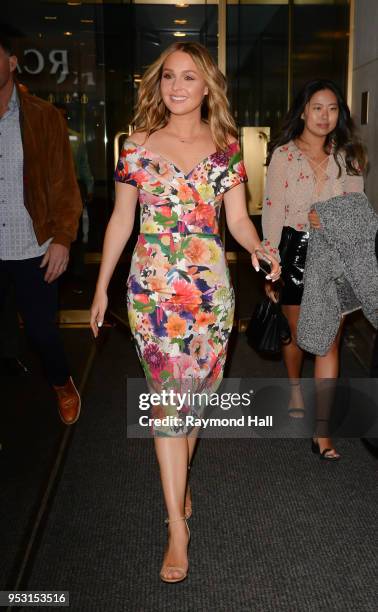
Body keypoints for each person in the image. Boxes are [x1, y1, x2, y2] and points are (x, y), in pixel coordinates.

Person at [90, 41, 280, 583]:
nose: (177, 86)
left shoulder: (225, 149)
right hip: (152, 292)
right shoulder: (136, 145)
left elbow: (238, 221)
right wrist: (102, 285)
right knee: (168, 404)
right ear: (159, 83)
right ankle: (177, 525)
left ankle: (180, 478)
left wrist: (258, 248)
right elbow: (121, 222)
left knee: (192, 401)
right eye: (169, 76)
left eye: (189, 78)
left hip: (209, 295)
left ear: (206, 87)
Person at [262, 79, 366, 460]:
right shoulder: (284, 156)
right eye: (318, 107)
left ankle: (322, 433)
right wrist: (269, 265)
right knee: (297, 335)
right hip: (294, 256)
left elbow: (357, 208)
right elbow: (272, 211)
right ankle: (293, 386)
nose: (325, 116)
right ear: (304, 111)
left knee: (328, 341)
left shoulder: (348, 156)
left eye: (333, 108)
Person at [0, 30, 82, 424]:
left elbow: (65, 185)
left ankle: (61, 382)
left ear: (12, 62)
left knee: (41, 332)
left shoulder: (43, 116)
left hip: (32, 247)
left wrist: (63, 238)